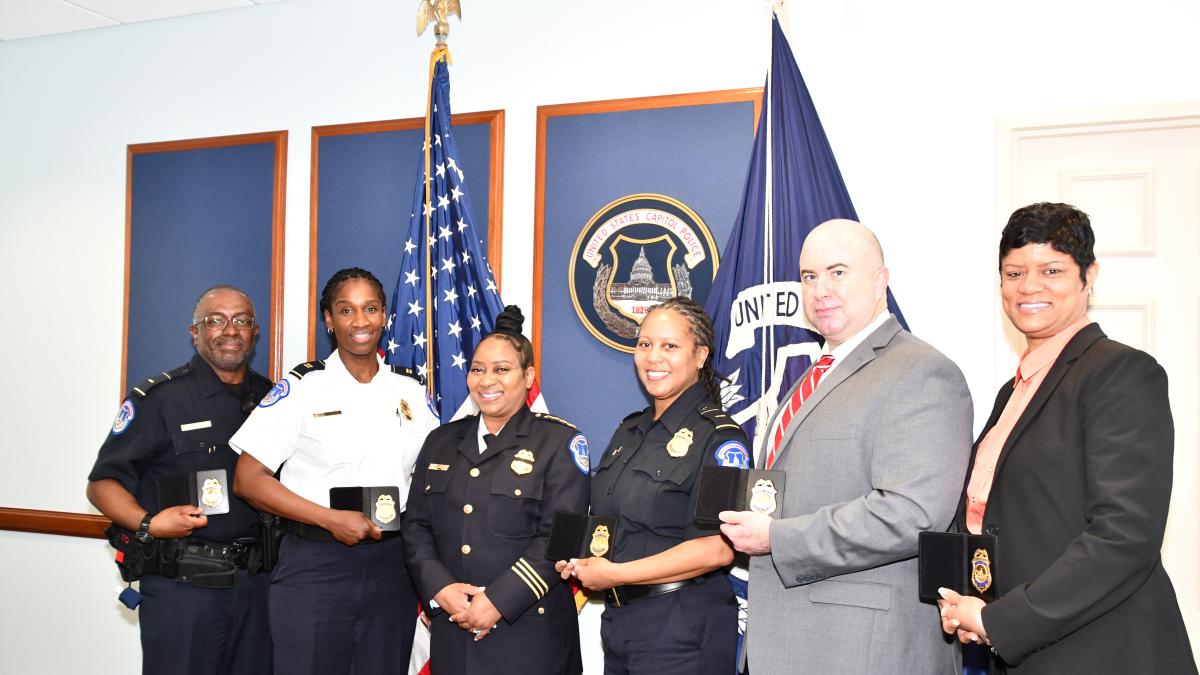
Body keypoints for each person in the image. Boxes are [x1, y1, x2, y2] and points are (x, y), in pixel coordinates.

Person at [937, 203, 1196, 672]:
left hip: (1105, 651)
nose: (1029, 286)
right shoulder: (1012, 392)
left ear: (1088, 275)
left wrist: (1002, 621)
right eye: (1014, 272)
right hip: (1029, 653)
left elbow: (1125, 535)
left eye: (1051, 269)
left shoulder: (1121, 373)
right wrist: (965, 603)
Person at [719, 219, 973, 674]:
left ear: (880, 280)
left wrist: (777, 538)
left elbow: (911, 514)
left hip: (862, 651)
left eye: (838, 272)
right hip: (790, 643)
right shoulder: (815, 372)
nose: (820, 290)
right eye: (809, 276)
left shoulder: (922, 372)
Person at [229, 267, 439, 674]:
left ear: (385, 317)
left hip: (393, 567)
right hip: (316, 564)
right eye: (346, 310)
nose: (360, 321)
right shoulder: (302, 388)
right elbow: (247, 479)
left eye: (371, 309)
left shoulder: (411, 390)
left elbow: (433, 478)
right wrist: (329, 519)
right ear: (329, 320)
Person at [86, 284, 273, 675]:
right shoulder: (159, 398)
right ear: (195, 332)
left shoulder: (271, 400)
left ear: (255, 332)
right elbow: (103, 483)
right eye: (215, 320)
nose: (230, 330)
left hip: (259, 588)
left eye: (241, 321)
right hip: (184, 592)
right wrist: (149, 523)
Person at [558, 296, 748, 675]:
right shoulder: (629, 431)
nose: (652, 357)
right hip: (622, 626)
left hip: (684, 631)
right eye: (645, 344)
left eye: (670, 346)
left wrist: (615, 574)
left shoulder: (721, 439)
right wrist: (579, 560)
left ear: (701, 355)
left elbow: (717, 550)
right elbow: (612, 525)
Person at [402, 305, 589, 674]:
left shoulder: (559, 442)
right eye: (477, 369)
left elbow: (560, 540)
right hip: (454, 628)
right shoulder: (440, 441)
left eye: (502, 370)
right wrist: (441, 590)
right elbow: (416, 526)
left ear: (528, 375)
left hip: (529, 632)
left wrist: (497, 602)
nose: (487, 381)